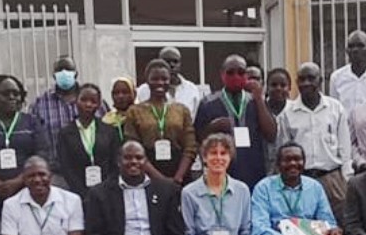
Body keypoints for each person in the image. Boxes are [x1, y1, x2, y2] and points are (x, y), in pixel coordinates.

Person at [275, 62, 353, 217]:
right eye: (302, 79)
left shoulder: (335, 108)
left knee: (337, 226)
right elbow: (283, 149)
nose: (306, 83)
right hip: (301, 179)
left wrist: (346, 179)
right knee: (305, 226)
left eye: (311, 78)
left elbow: (344, 147)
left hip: (332, 179)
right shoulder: (287, 113)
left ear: (320, 81)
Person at [194, 55, 278, 189]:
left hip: (254, 173)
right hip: (222, 173)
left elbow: (271, 134)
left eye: (241, 72)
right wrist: (213, 127)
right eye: (230, 72)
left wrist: (259, 99)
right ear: (222, 75)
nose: (236, 76)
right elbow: (198, 138)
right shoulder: (208, 103)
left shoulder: (255, 101)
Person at [0, 74, 54, 205]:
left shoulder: (32, 122)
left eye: (16, 93)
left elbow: (42, 155)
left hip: (26, 190)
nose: (12, 97)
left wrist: (18, 182)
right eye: (5, 93)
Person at [31, 55, 104, 182]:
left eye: (68, 69)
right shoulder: (40, 103)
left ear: (76, 74)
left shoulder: (94, 100)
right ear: (54, 75)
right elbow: (35, 138)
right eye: (60, 70)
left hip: (92, 171)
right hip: (56, 174)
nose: (64, 72)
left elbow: (106, 132)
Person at [125, 60, 198, 186]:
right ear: (147, 80)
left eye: (164, 79)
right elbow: (133, 146)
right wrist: (159, 179)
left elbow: (190, 147)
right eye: (155, 79)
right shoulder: (135, 111)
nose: (160, 83)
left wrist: (178, 177)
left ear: (170, 80)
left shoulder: (181, 110)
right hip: (147, 171)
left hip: (179, 172)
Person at [56, 83, 123, 197]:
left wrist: (105, 188)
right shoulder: (65, 133)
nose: (88, 104)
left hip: (106, 192)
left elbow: (114, 163)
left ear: (98, 104)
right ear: (76, 101)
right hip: (77, 193)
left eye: (93, 101)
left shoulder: (110, 131)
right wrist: (82, 192)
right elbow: (66, 167)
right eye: (84, 100)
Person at [136, 45, 203, 117]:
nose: (171, 65)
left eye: (175, 61)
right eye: (167, 61)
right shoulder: (143, 90)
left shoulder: (192, 90)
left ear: (180, 64)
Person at [329, 30, 366, 113]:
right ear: (346, 50)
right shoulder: (336, 77)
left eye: (360, 46)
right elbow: (334, 109)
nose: (355, 50)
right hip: (345, 126)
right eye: (351, 46)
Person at [264, 66, 293, 173]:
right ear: (267, 87)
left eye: (283, 85)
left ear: (289, 87)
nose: (278, 88)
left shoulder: (294, 110)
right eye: (274, 85)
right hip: (264, 167)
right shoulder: (260, 108)